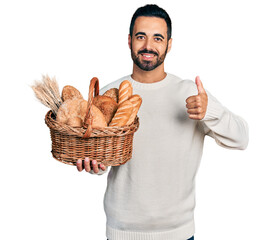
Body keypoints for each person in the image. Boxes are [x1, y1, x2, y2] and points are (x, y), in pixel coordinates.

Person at [76, 4, 249, 240]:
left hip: (179, 234)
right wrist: (95, 164)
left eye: (158, 38)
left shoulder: (190, 95)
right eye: (141, 37)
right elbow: (102, 156)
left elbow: (242, 138)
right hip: (121, 233)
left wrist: (211, 111)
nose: (148, 46)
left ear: (169, 44)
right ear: (129, 41)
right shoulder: (109, 95)